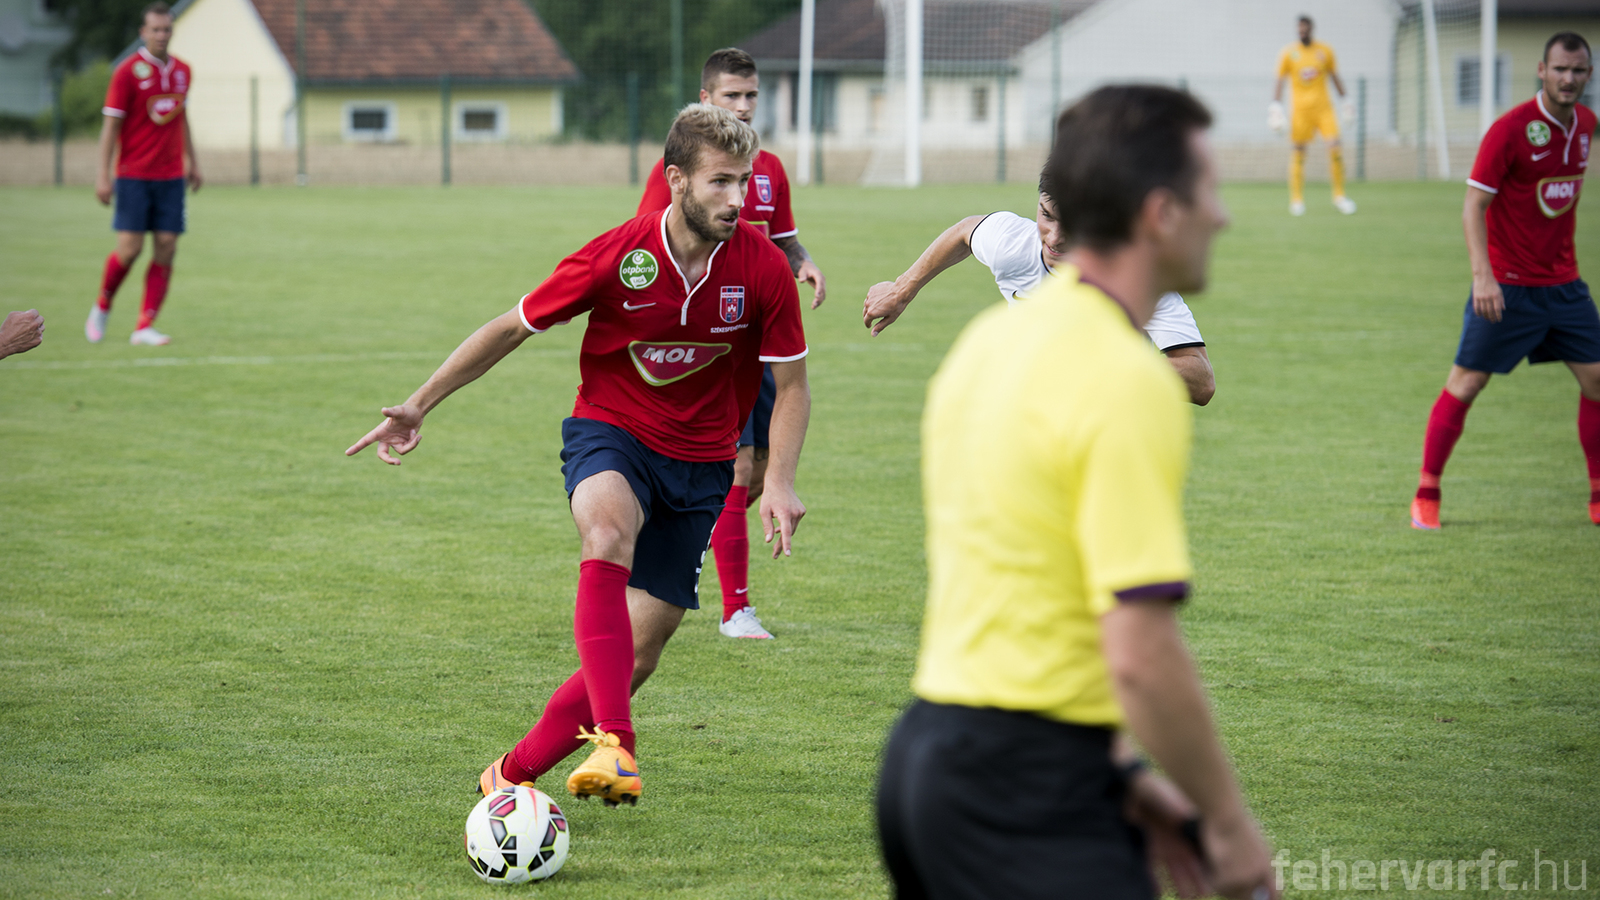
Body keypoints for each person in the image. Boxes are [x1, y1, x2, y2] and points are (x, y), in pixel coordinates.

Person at [875, 85, 1277, 900]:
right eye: (1208, 192)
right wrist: (1229, 824)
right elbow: (1140, 649)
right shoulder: (1124, 379)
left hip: (927, 755)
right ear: (1159, 213)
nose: (1223, 216)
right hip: (1024, 786)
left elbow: (1032, 603)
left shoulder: (987, 345)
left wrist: (1120, 772)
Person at [347, 104, 810, 806]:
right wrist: (420, 403)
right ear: (676, 179)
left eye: (743, 181)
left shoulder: (763, 267)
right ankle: (617, 743)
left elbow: (793, 384)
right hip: (612, 431)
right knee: (607, 531)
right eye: (720, 181)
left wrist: (778, 479)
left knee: (639, 655)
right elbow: (512, 327)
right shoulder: (617, 256)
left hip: (703, 464)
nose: (737, 198)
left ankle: (510, 772)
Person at [637, 47, 827, 640]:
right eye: (731, 96)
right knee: (739, 465)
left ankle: (672, 528)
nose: (744, 106)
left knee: (762, 469)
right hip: (715, 343)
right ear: (706, 100)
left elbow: (784, 240)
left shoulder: (770, 167)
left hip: (763, 336)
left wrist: (803, 262)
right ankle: (735, 609)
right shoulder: (681, 171)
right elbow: (651, 243)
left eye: (751, 96)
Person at [1411, 32, 1600, 529]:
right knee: (1466, 383)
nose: (1568, 78)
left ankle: (1598, 495)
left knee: (1597, 379)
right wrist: (1484, 278)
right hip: (1508, 287)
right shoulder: (1509, 130)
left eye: (1578, 70)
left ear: (1589, 74)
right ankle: (1427, 493)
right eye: (1559, 69)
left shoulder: (1586, 124)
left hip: (1565, 286)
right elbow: (1473, 206)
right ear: (1541, 70)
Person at [861, 188, 1216, 406]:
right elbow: (965, 232)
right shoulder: (1015, 245)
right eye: (1046, 215)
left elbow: (1200, 381)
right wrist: (902, 289)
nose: (1054, 237)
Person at [86, 1, 201, 347]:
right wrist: (102, 175)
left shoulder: (183, 71)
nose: (161, 35)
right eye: (155, 29)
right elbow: (110, 128)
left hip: (171, 176)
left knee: (167, 246)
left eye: (166, 29)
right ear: (143, 32)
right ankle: (103, 305)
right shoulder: (126, 72)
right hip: (133, 174)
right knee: (130, 250)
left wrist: (193, 161)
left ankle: (144, 326)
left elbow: (181, 118)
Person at [1270, 15, 1355, 217]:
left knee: (1335, 147)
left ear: (1311, 29)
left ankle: (1339, 196)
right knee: (1298, 152)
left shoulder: (1324, 51)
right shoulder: (1288, 53)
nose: (1302, 32)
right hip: (1300, 112)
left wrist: (1346, 101)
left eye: (1305, 28)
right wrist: (1275, 105)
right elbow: (1280, 80)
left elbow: (1335, 76)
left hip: (1324, 109)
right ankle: (1297, 200)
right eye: (1299, 29)